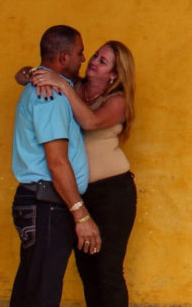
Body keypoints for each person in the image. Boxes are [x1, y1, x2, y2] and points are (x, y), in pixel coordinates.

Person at [20, 40, 137, 307]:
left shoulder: (117, 101)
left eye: (102, 61)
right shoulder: (75, 85)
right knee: (86, 268)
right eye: (95, 55)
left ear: (114, 76)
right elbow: (27, 74)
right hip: (78, 193)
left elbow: (90, 121)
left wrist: (61, 84)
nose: (92, 61)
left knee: (108, 271)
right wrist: (30, 73)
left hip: (113, 194)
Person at [10, 24, 102, 307]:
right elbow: (57, 161)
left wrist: (26, 72)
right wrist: (81, 215)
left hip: (44, 202)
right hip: (47, 204)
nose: (83, 58)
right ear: (63, 58)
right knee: (41, 295)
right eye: (79, 52)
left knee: (32, 289)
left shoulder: (55, 88)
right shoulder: (49, 96)